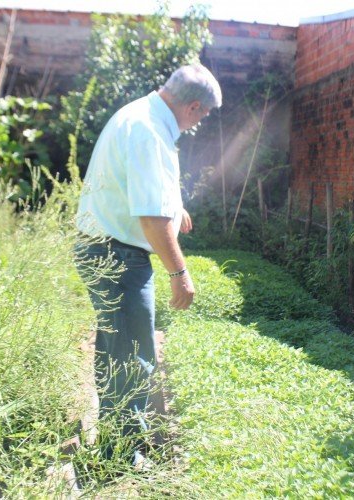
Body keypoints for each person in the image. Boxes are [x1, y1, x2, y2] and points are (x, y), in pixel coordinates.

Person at [74, 63, 222, 464]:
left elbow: (143, 186)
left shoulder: (139, 114)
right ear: (193, 107)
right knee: (134, 354)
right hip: (116, 255)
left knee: (116, 347)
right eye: (202, 116)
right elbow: (150, 217)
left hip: (101, 247)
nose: (198, 124)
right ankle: (121, 456)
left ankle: (113, 439)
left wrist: (175, 207)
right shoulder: (150, 131)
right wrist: (180, 273)